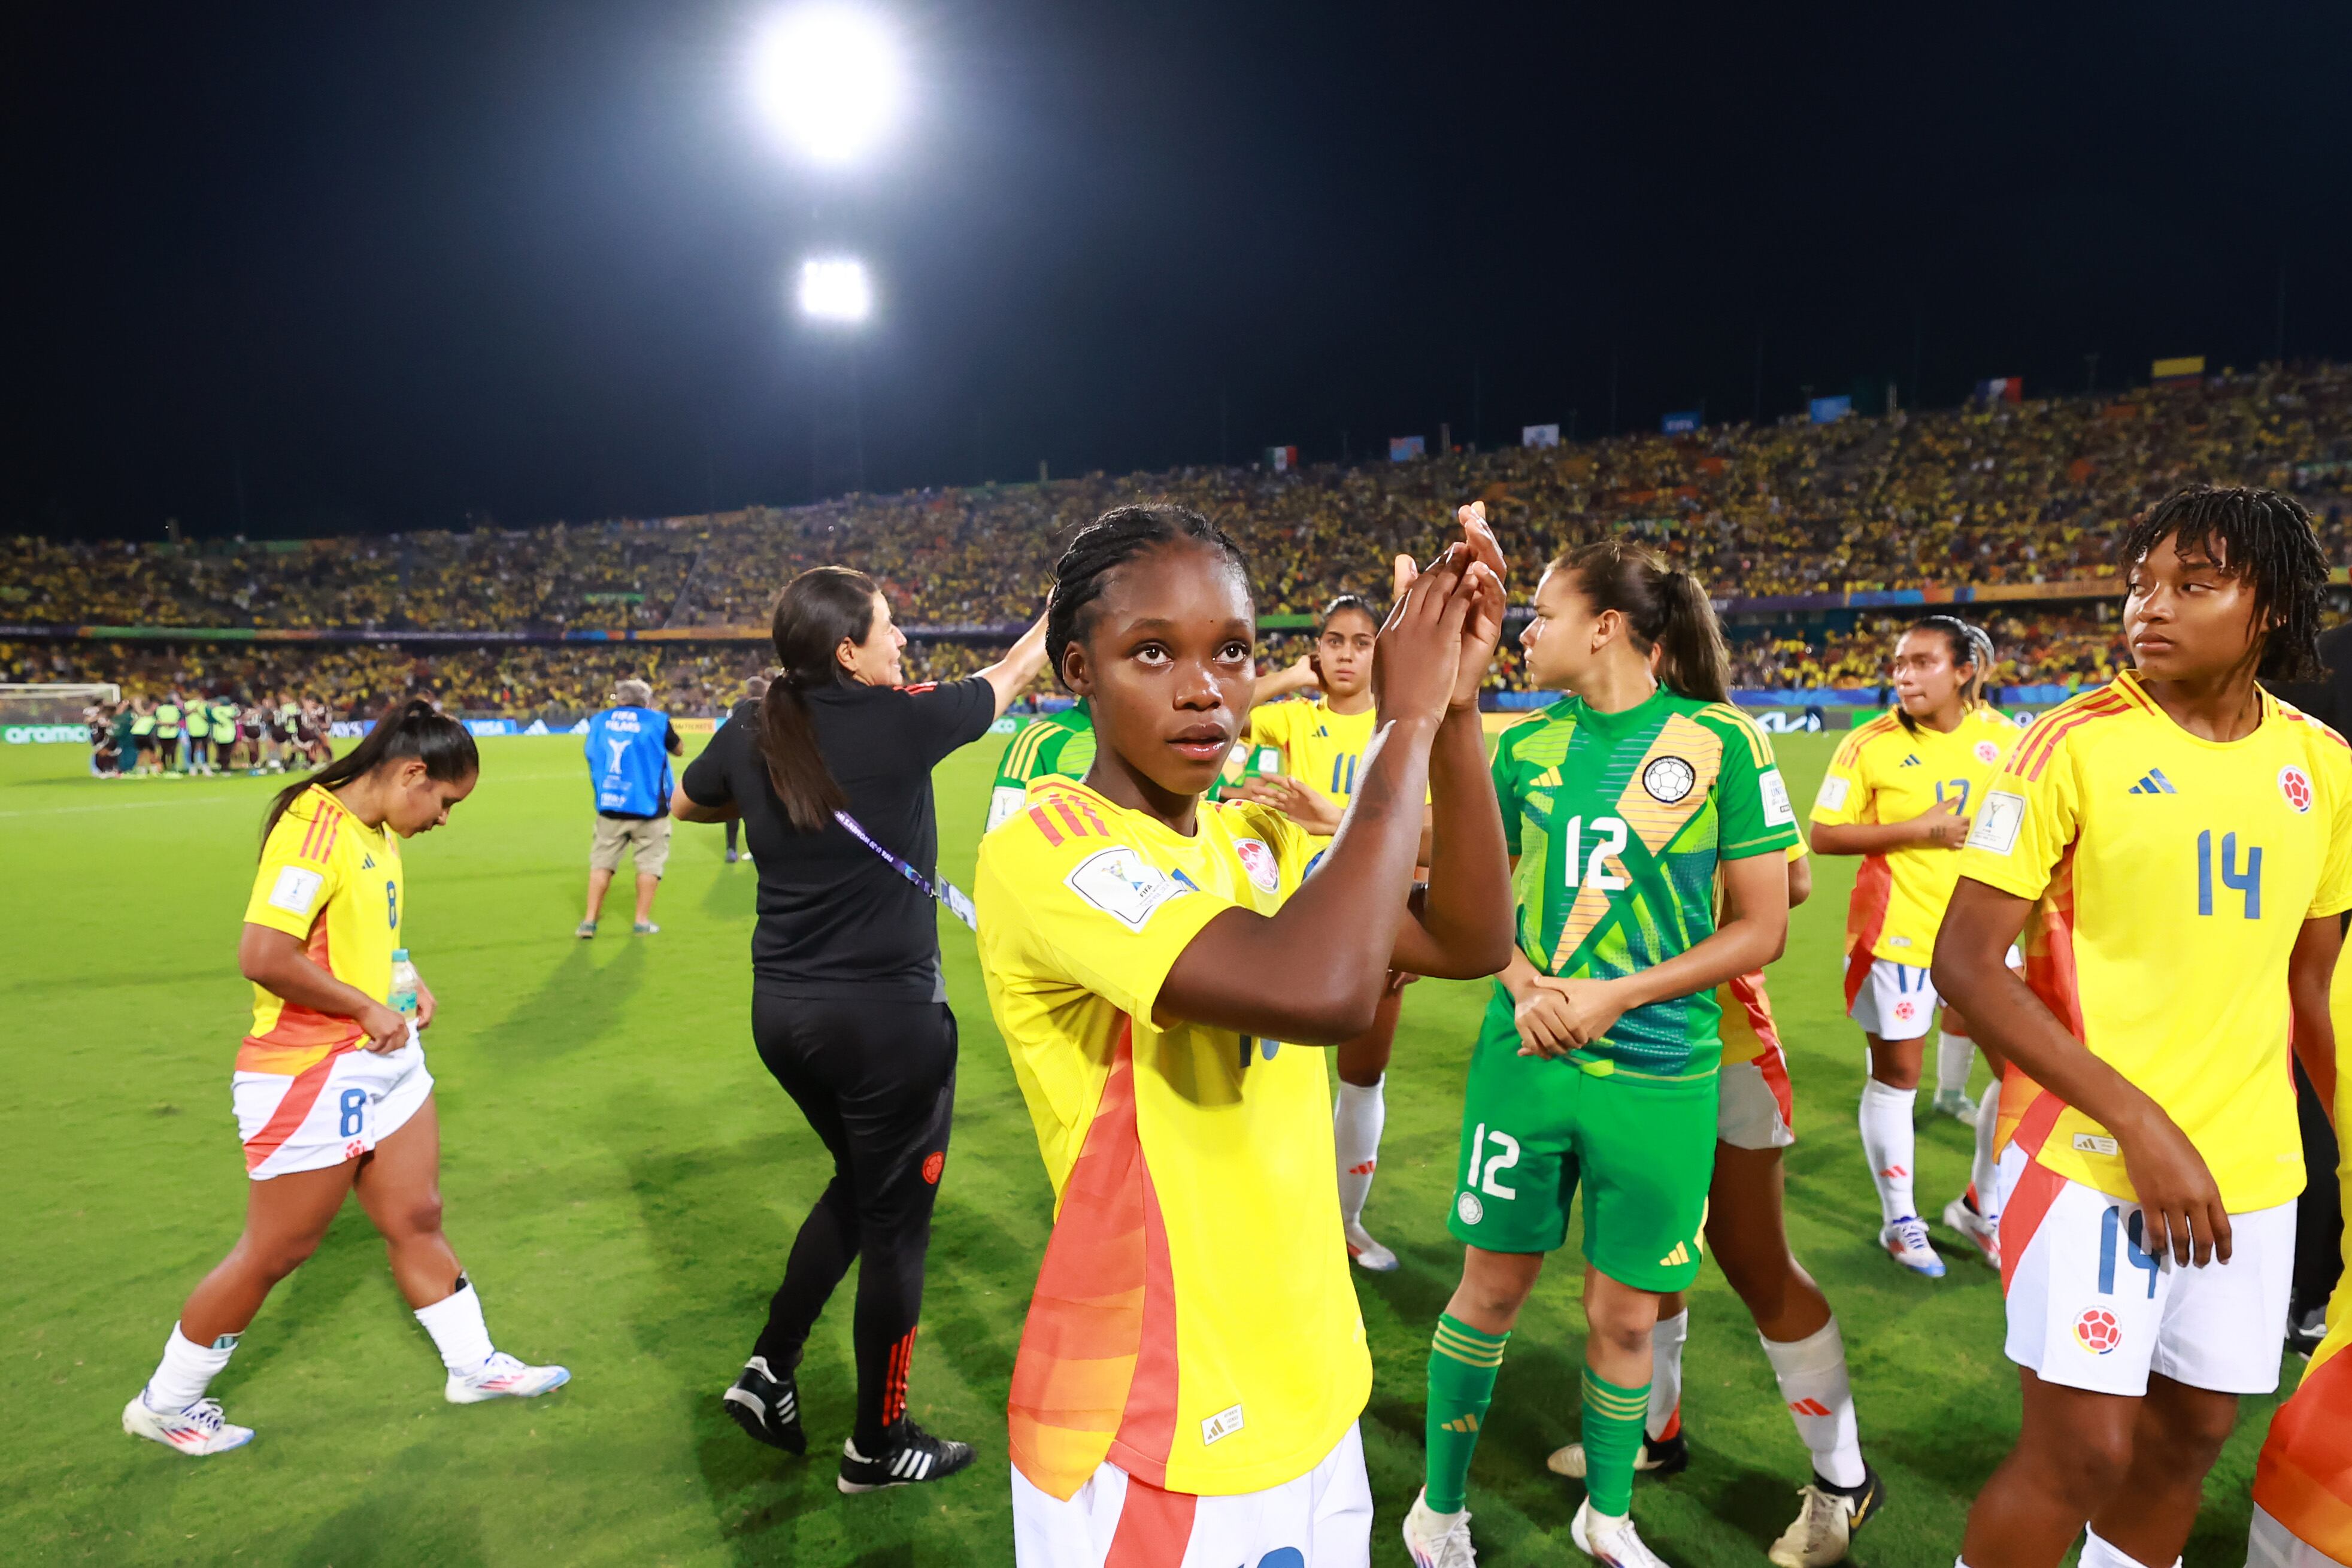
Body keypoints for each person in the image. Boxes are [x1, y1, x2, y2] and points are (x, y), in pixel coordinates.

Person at [976, 502, 1512, 1568]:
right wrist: (1399, 724)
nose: (1202, 686)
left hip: (1308, 1380)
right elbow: (1317, 989)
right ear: (1076, 670)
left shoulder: (1251, 831)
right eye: (1150, 651)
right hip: (1160, 1417)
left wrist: (1452, 713)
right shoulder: (1052, 847)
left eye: (1230, 650)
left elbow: (1467, 932)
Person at [1937, 486, 2349, 1568]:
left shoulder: (2323, 764)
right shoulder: (2067, 743)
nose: (2146, 608)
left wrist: (2344, 1137)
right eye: (2139, 584)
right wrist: (2140, 1122)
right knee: (2079, 1452)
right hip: (2090, 1157)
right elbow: (1965, 965)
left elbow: (2309, 988)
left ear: (2266, 607)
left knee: (2187, 1440)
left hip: (2251, 1175)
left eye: (2190, 584)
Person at [1405, 540, 1798, 1568]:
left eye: (1540, 612)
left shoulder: (1722, 741)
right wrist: (1525, 987)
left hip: (1663, 1071)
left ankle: (1607, 1516)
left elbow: (1760, 926)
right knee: (1487, 1290)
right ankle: (1435, 1508)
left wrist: (1615, 993)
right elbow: (1459, 894)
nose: (1525, 632)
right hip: (1524, 1057)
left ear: (1605, 627)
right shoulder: (1519, 748)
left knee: (1624, 1313)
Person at [673, 566, 1050, 1492]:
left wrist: (775, 800)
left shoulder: (757, 722)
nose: (903, 643)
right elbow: (1012, 674)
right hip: (888, 1024)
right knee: (897, 1233)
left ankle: (771, 1367)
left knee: (861, 1184)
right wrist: (1062, 603)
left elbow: (688, 801)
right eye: (891, 630)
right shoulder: (903, 718)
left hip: (784, 1016)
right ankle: (877, 1444)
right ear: (848, 650)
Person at [121, 699, 569, 1457]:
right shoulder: (313, 827)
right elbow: (264, 955)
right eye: (446, 802)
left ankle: (473, 1366)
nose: (444, 819)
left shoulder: (378, 828)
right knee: (277, 1251)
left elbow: (363, 931)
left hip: (386, 1060)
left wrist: (403, 975)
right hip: (308, 1074)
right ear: (411, 774)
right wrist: (365, 1007)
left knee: (417, 1214)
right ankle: (164, 1405)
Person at [1545, 847, 1887, 1568]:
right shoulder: (1561, 735)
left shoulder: (1721, 735)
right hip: (1619, 1052)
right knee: (1646, 1253)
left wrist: (1664, 925)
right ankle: (1656, 1435)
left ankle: (1845, 1478)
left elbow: (1791, 880)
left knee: (1754, 1258)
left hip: (1721, 1042)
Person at [1808, 616, 2020, 1276]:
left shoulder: (2008, 740)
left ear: (1964, 671)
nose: (1902, 674)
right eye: (1898, 663)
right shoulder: (1868, 743)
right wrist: (1919, 830)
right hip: (1896, 935)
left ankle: (1978, 1207)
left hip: (1986, 940)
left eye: (1921, 662)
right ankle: (1901, 1220)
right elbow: (1824, 835)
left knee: (2020, 1076)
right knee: (1896, 1080)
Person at [1230, 593, 1411, 1272]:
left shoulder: (1397, 729)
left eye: (1360, 642)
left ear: (1377, 651)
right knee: (1271, 1075)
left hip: (1372, 922)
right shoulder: (1292, 722)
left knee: (1362, 1077)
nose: (1343, 654)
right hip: (1291, 920)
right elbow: (1229, 710)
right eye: (1332, 642)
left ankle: (1347, 1223)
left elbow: (1420, 835)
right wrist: (1291, 677)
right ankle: (1270, 1215)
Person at [576, 678, 684, 938]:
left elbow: (591, 752)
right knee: (649, 865)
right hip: (650, 806)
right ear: (646, 700)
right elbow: (679, 749)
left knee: (602, 864)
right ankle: (641, 922)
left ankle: (589, 922)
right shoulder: (657, 721)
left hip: (612, 804)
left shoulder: (600, 721)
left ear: (620, 699)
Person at [725, 674, 768, 865]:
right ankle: (757, 850)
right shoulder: (773, 704)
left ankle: (731, 850)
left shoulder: (738, 706)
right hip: (765, 762)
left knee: (733, 808)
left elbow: (731, 731)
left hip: (740, 761)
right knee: (760, 811)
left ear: (749, 691)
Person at [210, 690, 243, 774]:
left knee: (221, 752)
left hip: (218, 734)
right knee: (227, 752)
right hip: (230, 734)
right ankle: (226, 767)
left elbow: (210, 718)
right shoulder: (232, 710)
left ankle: (223, 766)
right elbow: (239, 714)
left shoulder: (215, 711)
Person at [154, 690, 184, 774]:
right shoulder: (176, 709)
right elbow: (180, 718)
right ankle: (173, 766)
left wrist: (164, 723)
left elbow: (156, 719)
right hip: (173, 732)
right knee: (173, 751)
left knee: (163, 751)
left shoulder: (160, 709)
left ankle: (164, 766)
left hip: (162, 733)